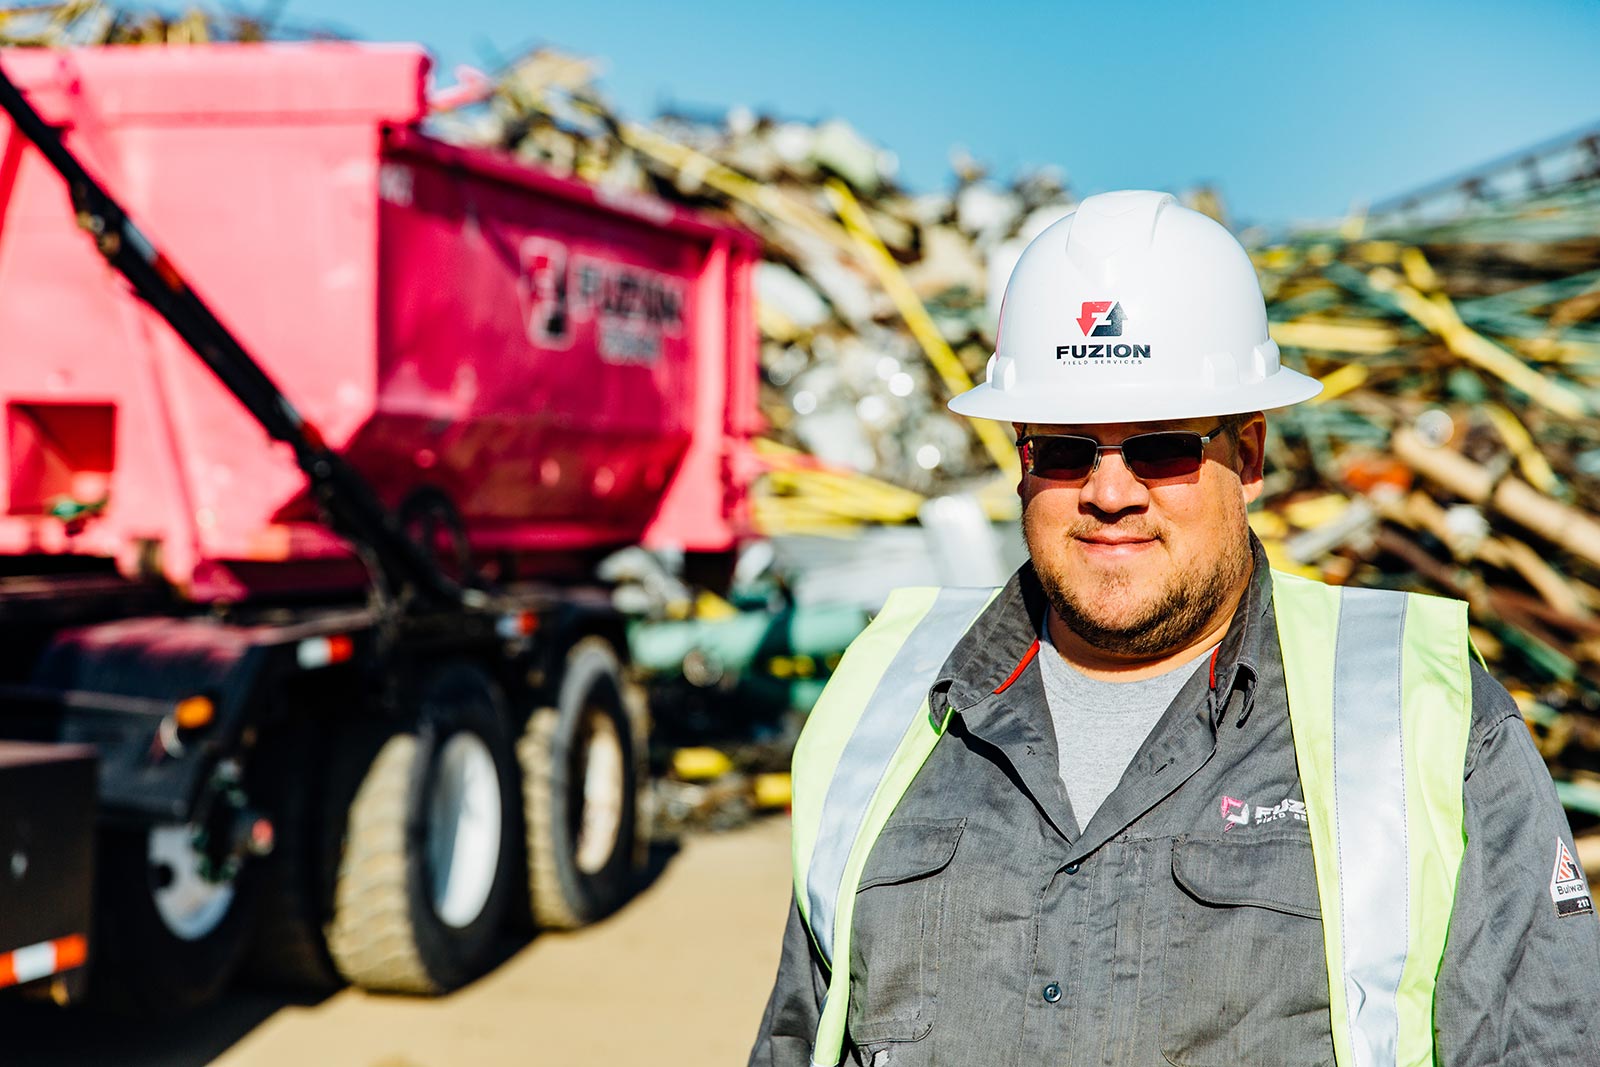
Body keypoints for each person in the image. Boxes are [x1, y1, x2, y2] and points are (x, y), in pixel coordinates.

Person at [749, 190, 1600, 1067]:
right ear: (1020, 461)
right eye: (1067, 448)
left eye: (1163, 446)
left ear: (1252, 455)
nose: (1110, 493)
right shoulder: (886, 697)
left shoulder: (1421, 714)